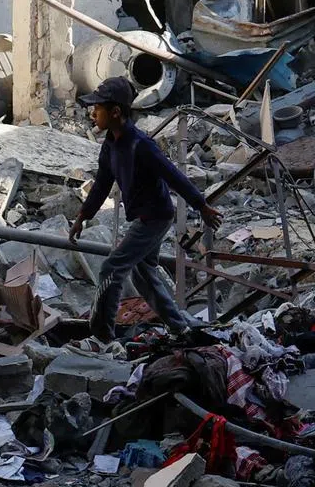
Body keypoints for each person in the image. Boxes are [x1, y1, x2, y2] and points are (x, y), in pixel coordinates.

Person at [68, 76, 223, 340]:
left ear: (116, 112)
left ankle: (102, 335)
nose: (92, 114)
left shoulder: (141, 145)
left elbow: (173, 176)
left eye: (98, 109)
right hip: (143, 215)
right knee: (143, 273)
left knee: (112, 269)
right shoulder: (110, 144)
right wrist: (83, 215)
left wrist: (202, 206)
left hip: (155, 216)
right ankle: (178, 326)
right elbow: (102, 184)